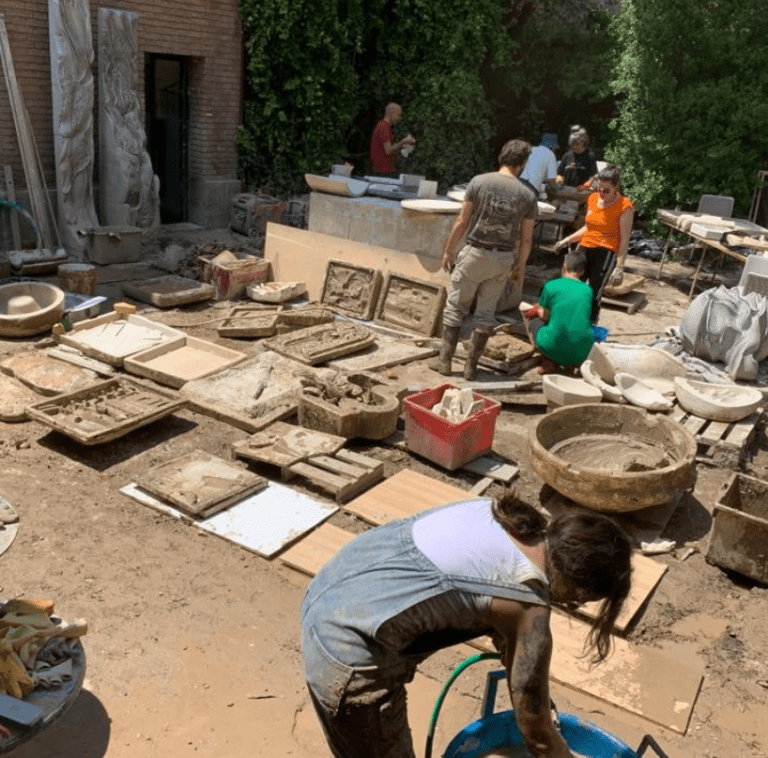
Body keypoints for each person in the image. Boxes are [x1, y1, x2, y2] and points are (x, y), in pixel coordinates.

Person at [301, 491, 632, 758]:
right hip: (347, 651)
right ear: (580, 584)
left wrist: (540, 705)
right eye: (579, 602)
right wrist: (547, 730)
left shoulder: (502, 517)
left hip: (333, 590)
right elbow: (539, 737)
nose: (571, 606)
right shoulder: (525, 605)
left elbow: (499, 629)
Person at [431, 139, 537, 380]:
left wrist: (449, 251)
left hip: (474, 253)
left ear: (502, 157)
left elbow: (462, 221)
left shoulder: (479, 182)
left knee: (456, 307)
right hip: (502, 259)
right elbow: (527, 238)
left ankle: (445, 363)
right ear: (521, 163)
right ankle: (471, 368)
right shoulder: (528, 194)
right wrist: (520, 265)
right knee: (486, 314)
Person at [554, 164, 634, 324]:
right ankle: (567, 321)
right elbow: (588, 227)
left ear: (616, 187)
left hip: (606, 251)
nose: (601, 193)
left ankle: (590, 325)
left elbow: (625, 239)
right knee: (573, 285)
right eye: (599, 189)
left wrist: (620, 267)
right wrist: (566, 240)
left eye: (606, 191)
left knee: (594, 291)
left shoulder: (624, 206)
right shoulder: (592, 199)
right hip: (585, 246)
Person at [524, 250, 595, 374]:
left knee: (534, 320)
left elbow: (545, 316)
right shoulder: (588, 290)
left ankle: (548, 360)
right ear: (582, 271)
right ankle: (570, 364)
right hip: (582, 351)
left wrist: (537, 309)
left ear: (564, 267)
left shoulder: (551, 285)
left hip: (552, 346)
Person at [370, 103, 416, 176]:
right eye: (399, 115)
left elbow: (390, 151)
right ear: (392, 113)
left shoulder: (384, 126)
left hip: (385, 170)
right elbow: (388, 150)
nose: (400, 118)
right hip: (383, 171)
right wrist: (403, 141)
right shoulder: (384, 127)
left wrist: (403, 146)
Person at [520, 132, 559, 198]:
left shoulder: (531, 149)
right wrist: (556, 190)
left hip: (520, 183)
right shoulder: (551, 155)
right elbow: (551, 182)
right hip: (531, 189)